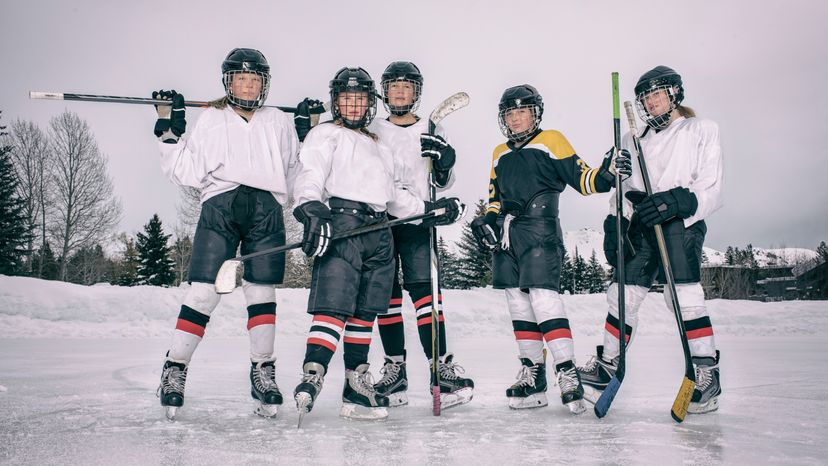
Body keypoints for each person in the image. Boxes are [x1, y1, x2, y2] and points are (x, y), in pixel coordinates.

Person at [291, 66, 462, 422]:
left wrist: (430, 209)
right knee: (335, 304)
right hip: (344, 224)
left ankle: (356, 385)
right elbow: (309, 173)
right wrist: (310, 207)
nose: (353, 106)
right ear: (336, 103)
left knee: (366, 312)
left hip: (380, 229)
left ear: (370, 103)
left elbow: (395, 195)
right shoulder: (325, 135)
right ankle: (313, 373)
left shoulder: (379, 144)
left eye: (360, 100)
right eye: (346, 99)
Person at [153, 48, 301, 419]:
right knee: (204, 291)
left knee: (263, 293)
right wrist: (170, 132)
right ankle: (175, 368)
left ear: (264, 84)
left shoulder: (279, 121)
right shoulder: (212, 118)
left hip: (266, 209)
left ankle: (262, 370)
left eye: (255, 79)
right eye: (241, 78)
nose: (248, 85)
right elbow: (185, 172)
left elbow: (296, 172)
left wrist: (308, 133)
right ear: (229, 82)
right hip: (221, 205)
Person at [470, 84, 631, 414]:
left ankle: (567, 371)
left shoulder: (551, 140)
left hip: (541, 230)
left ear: (535, 113)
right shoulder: (499, 152)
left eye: (522, 112)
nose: (515, 119)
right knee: (518, 303)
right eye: (509, 113)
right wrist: (487, 220)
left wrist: (608, 173)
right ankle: (534, 376)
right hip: (507, 238)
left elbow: (584, 180)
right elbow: (495, 198)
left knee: (544, 300)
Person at [577, 66, 723, 414]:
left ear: (674, 94)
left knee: (683, 297)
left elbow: (712, 186)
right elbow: (622, 188)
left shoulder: (700, 129)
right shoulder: (632, 139)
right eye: (645, 97)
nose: (651, 102)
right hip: (641, 221)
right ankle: (608, 364)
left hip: (680, 220)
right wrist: (615, 220)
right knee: (622, 294)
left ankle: (705, 372)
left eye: (658, 94)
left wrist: (678, 202)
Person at [367, 61, 474, 409]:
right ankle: (395, 370)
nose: (400, 93)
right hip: (380, 220)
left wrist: (443, 162)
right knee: (386, 297)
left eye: (407, 87)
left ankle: (439, 368)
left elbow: (444, 182)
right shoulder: (373, 127)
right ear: (384, 92)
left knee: (427, 296)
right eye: (394, 87)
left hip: (417, 222)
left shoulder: (431, 127)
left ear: (416, 93)